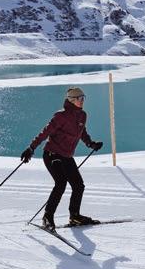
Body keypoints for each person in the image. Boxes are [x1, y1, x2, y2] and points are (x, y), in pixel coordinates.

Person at [20, 86, 103, 229]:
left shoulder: (82, 115)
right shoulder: (61, 116)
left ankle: (74, 216)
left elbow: (82, 132)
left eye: (83, 98)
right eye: (79, 98)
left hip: (66, 155)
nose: (82, 101)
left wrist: (90, 143)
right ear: (71, 100)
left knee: (78, 185)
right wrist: (31, 148)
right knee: (61, 183)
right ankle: (47, 217)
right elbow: (45, 133)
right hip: (52, 154)